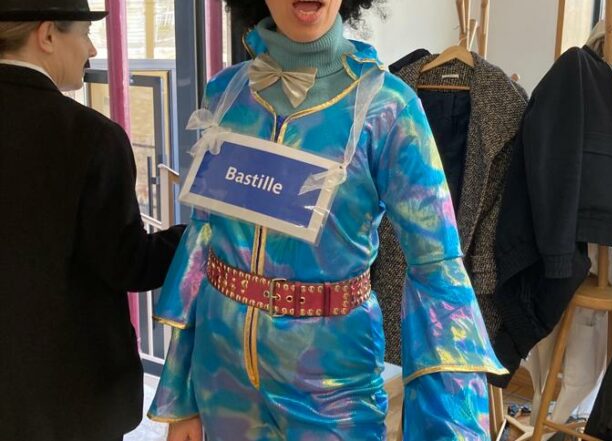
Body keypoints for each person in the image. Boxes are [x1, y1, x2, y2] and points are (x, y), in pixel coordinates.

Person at [148, 0, 505, 440]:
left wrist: (451, 429)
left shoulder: (388, 107)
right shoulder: (224, 93)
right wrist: (181, 395)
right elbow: (203, 239)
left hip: (333, 381)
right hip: (220, 374)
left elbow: (438, 272)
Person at [0, 1, 185, 440]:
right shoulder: (90, 136)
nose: (92, 49)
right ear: (47, 35)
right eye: (84, 34)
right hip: (67, 398)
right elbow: (126, 263)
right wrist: (198, 235)